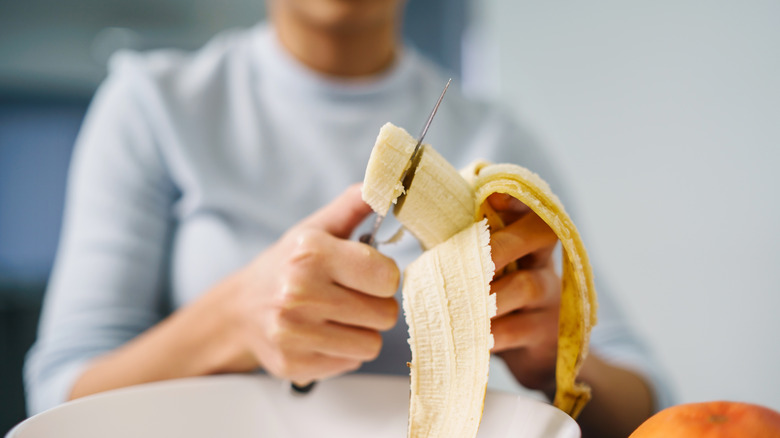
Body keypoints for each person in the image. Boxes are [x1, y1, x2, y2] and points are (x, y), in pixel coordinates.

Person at [25, 0, 672, 436]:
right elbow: (56, 401)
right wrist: (235, 320)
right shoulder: (151, 104)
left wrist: (555, 353)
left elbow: (648, 405)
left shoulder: (494, 135)